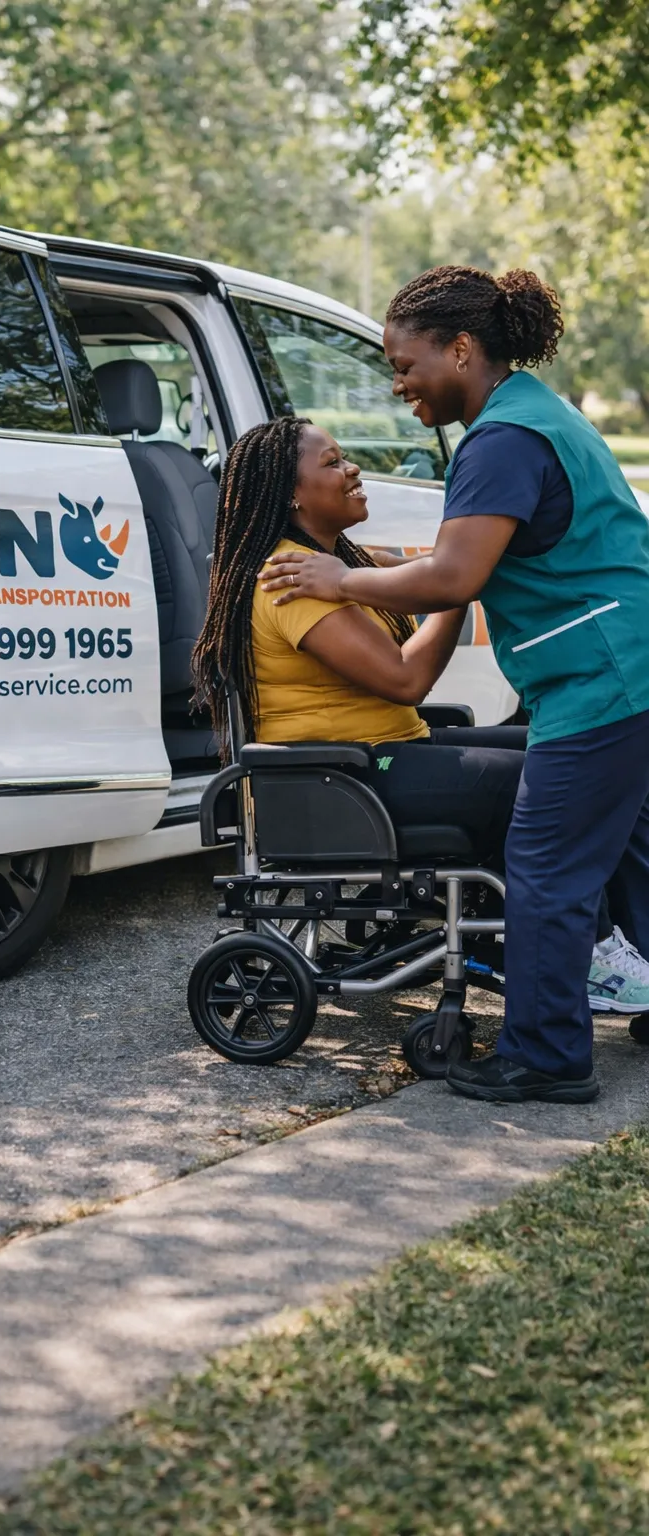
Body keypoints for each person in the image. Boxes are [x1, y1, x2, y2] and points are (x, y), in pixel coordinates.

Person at [257, 264, 649, 1103]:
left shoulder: (501, 440)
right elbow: (458, 564)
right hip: (623, 660)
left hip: (603, 671)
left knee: (546, 863)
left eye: (405, 365)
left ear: (461, 349)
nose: (399, 385)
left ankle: (546, 1056)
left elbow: (455, 574)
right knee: (632, 837)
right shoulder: (532, 413)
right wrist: (380, 571)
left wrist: (343, 579)